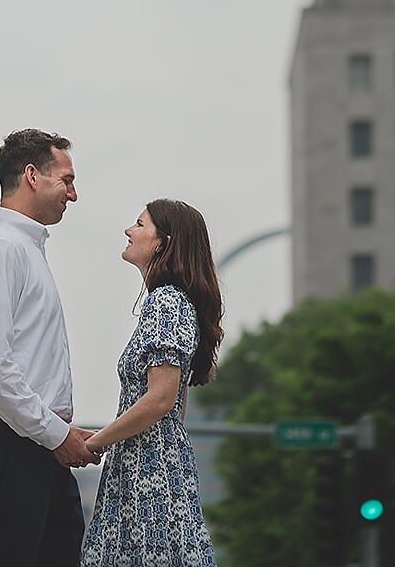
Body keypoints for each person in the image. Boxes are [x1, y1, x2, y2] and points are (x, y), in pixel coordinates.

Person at [0, 129, 99, 567]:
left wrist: (55, 434)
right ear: (32, 175)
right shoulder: (0, 248)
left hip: (33, 445)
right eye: (66, 180)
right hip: (10, 446)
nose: (73, 194)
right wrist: (55, 434)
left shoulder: (22, 248)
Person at [80, 198, 224, 567]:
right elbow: (177, 408)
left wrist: (95, 442)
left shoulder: (166, 302)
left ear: (163, 242)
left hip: (149, 470)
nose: (129, 231)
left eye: (140, 224)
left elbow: (161, 399)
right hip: (153, 463)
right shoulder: (175, 303)